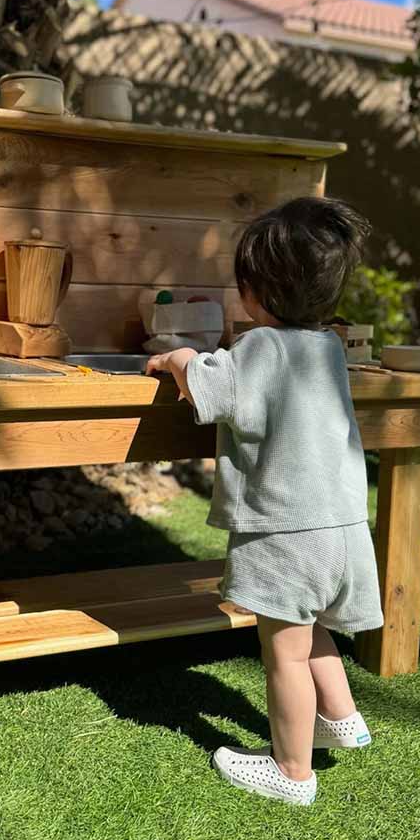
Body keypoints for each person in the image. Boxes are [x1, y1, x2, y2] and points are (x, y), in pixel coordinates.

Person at [147, 197, 384, 806]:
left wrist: (177, 357)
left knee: (283, 650)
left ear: (257, 290)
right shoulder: (329, 348)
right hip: (344, 529)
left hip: (286, 533)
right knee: (314, 628)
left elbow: (211, 387)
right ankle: (342, 717)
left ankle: (292, 772)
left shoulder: (260, 349)